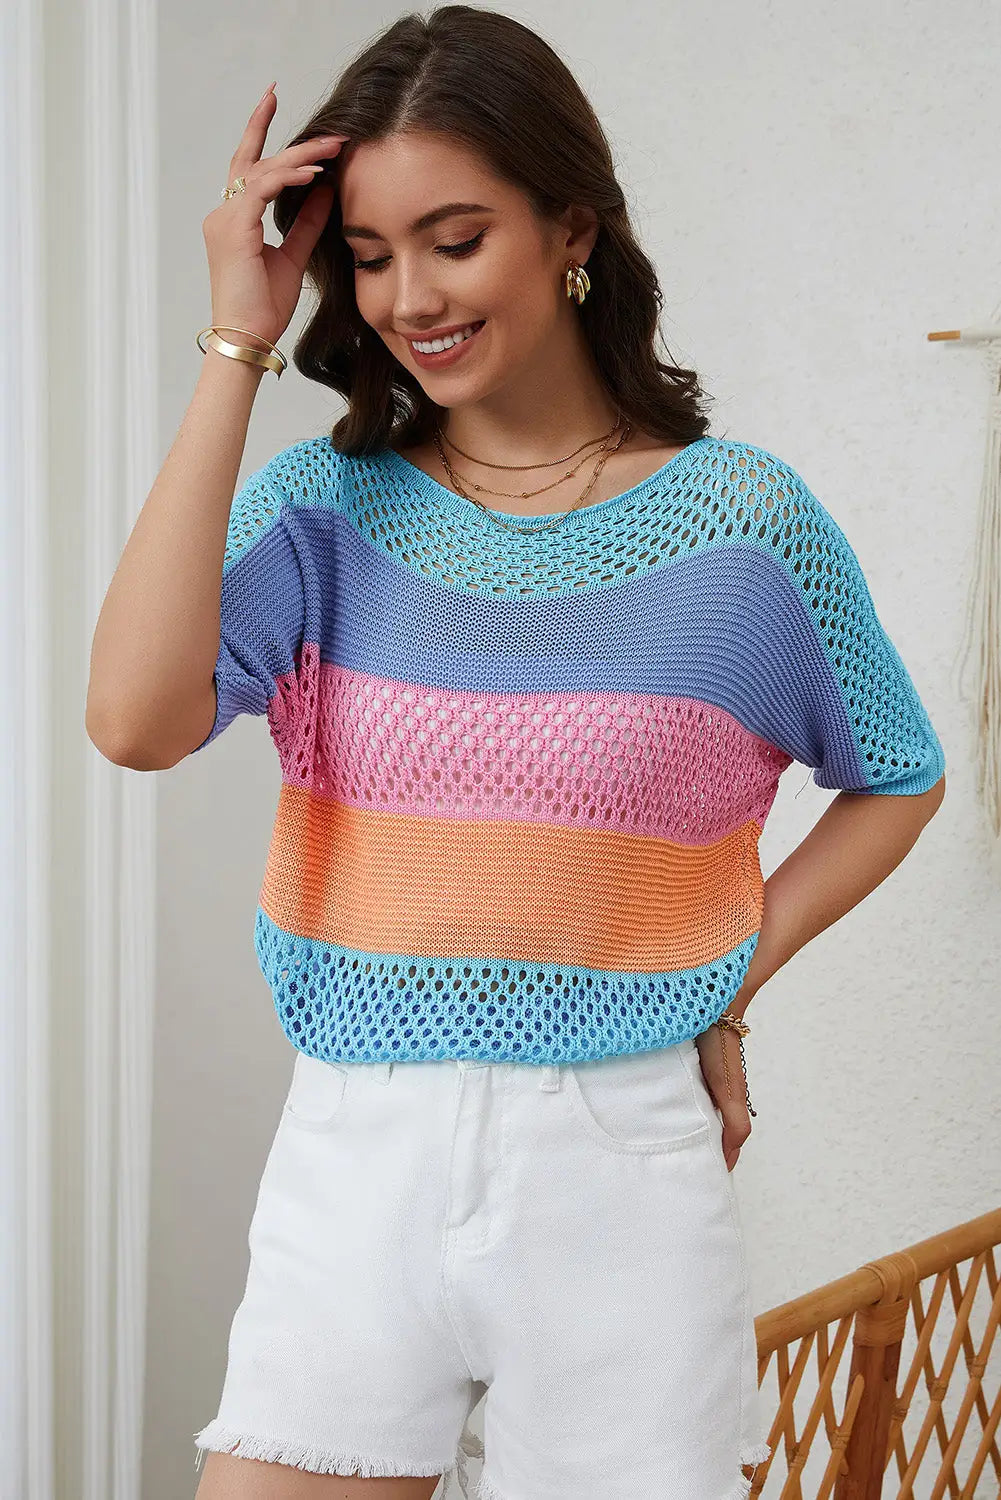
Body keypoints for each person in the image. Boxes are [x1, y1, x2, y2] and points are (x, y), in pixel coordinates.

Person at [85, 6, 947, 1498]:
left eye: (456, 238)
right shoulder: (324, 511)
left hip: (620, 1166)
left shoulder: (741, 525)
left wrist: (721, 976)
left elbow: (898, 772)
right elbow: (132, 722)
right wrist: (239, 340)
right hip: (356, 1145)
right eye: (369, 255)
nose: (409, 296)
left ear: (571, 230)